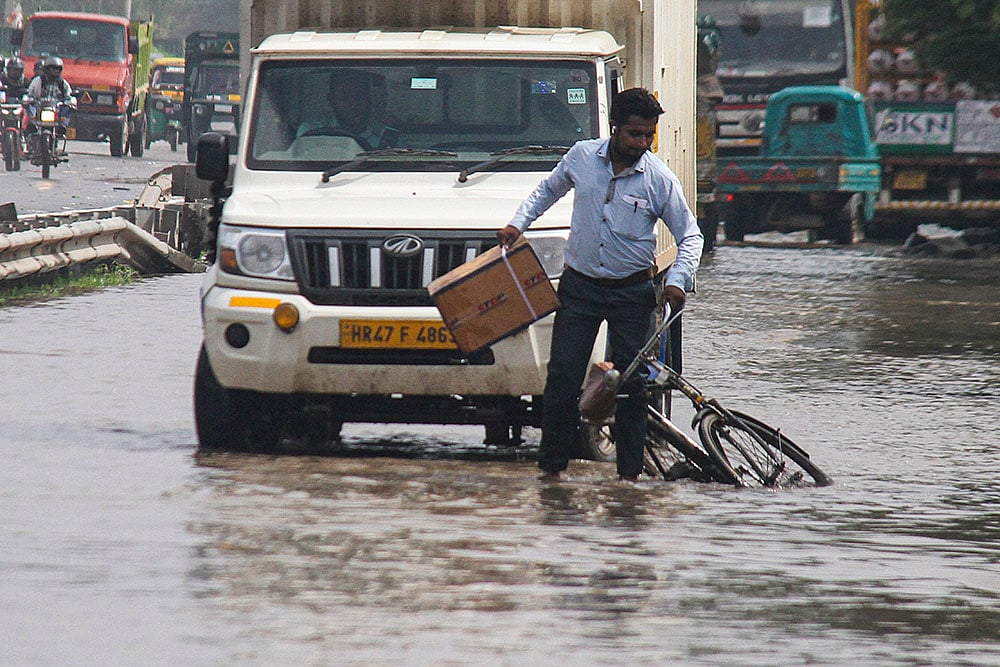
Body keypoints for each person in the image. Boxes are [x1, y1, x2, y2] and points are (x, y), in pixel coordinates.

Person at [497, 87, 704, 482]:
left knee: (631, 388)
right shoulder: (581, 157)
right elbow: (547, 189)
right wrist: (516, 225)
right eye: (634, 135)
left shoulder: (658, 179)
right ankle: (551, 473)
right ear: (615, 129)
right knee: (562, 380)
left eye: (649, 136)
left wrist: (677, 281)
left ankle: (628, 482)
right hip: (580, 288)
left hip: (633, 294)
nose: (642, 143)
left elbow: (691, 236)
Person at [296, 70, 397, 149]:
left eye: (360, 96)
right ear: (331, 100)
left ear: (369, 99)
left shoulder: (385, 135)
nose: (354, 103)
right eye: (344, 97)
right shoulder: (310, 130)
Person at [25, 56, 74, 140]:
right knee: (30, 105)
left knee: (68, 108)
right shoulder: (38, 80)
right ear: (47, 69)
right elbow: (30, 93)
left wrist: (71, 101)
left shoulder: (63, 83)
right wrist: (28, 99)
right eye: (53, 68)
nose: (55, 71)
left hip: (56, 108)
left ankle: (63, 125)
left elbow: (68, 95)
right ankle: (32, 123)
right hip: (40, 106)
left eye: (58, 69)